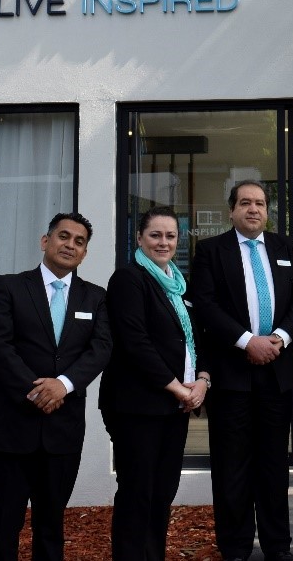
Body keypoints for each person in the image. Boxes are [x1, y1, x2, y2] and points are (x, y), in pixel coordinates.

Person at [0, 211, 112, 561]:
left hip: (61, 431)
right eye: (63, 236)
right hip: (7, 427)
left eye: (79, 242)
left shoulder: (95, 298)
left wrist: (63, 385)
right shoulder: (9, 286)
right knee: (2, 527)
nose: (70, 245)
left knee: (51, 527)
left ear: (84, 253)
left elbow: (101, 349)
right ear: (45, 241)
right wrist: (37, 391)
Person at [189, 180, 293, 561]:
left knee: (274, 464)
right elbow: (204, 303)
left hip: (278, 370)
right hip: (231, 374)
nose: (253, 209)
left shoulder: (285, 247)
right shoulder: (211, 250)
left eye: (259, 203)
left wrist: (279, 338)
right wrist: (247, 341)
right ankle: (235, 547)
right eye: (245, 203)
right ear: (232, 211)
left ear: (267, 210)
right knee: (231, 466)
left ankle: (277, 546)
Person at [99, 205, 210, 561]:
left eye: (170, 236)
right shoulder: (128, 279)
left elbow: (195, 339)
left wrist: (202, 379)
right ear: (139, 238)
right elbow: (135, 342)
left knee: (163, 492)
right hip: (138, 407)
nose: (164, 242)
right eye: (155, 235)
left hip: (174, 408)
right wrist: (178, 387)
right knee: (137, 493)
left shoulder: (178, 285)